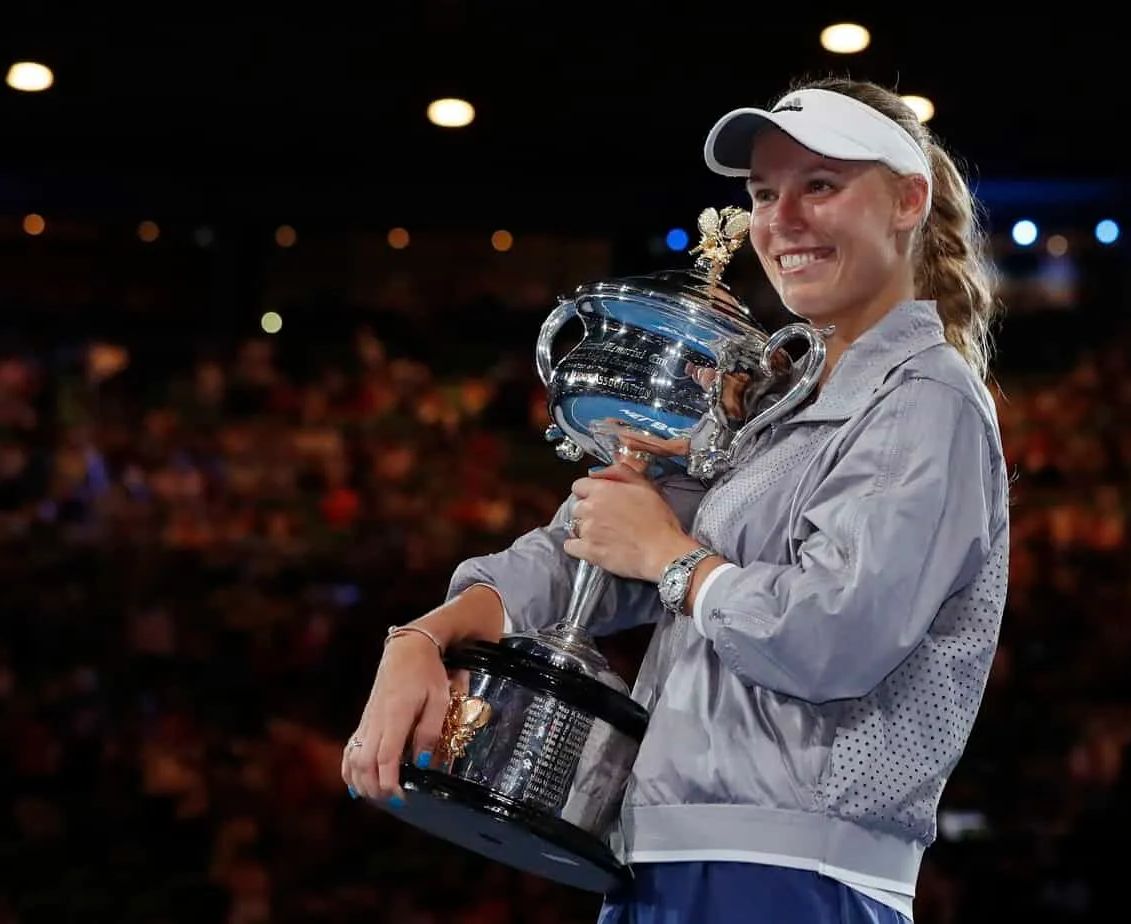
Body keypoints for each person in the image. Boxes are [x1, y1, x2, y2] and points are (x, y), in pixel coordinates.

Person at [342, 75, 1010, 924]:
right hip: (659, 858)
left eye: (821, 186)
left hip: (794, 876)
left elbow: (837, 636)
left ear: (908, 200)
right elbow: (597, 543)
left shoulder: (926, 398)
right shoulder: (777, 397)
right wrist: (426, 635)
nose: (782, 219)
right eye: (765, 192)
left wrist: (675, 560)